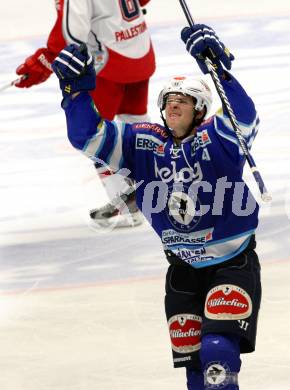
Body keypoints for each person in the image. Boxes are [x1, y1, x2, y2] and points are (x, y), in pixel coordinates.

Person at [52, 23, 262, 390]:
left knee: (217, 351)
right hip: (181, 269)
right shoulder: (142, 142)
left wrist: (218, 71)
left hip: (231, 264)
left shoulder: (216, 139)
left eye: (185, 99)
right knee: (195, 366)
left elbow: (244, 119)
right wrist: (74, 94)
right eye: (169, 99)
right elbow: (87, 137)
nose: (174, 103)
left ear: (200, 111)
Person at [14, 0, 155, 229]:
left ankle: (127, 206)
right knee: (136, 122)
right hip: (139, 49)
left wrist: (42, 62)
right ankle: (155, 186)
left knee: (95, 133)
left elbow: (70, 38)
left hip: (108, 63)